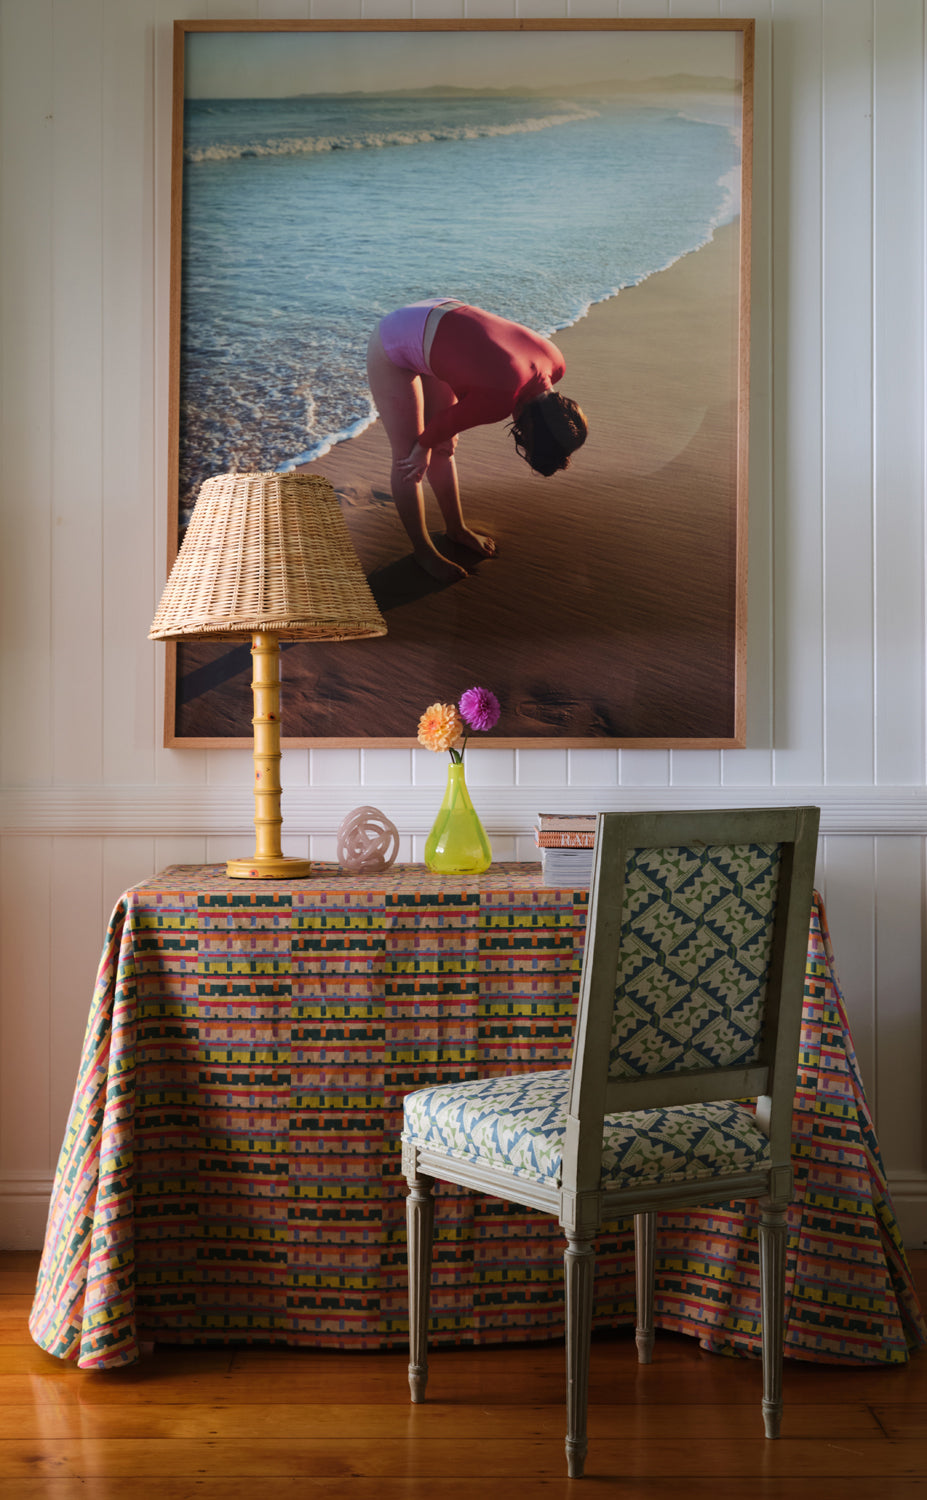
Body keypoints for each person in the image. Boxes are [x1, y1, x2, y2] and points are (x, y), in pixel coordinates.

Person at [367, 298, 588, 583]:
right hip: (394, 338)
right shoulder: (499, 399)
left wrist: (432, 444)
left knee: (444, 448)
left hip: (437, 313)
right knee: (408, 459)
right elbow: (440, 425)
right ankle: (423, 552)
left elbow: (447, 425)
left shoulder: (556, 362)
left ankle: (456, 529)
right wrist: (421, 450)